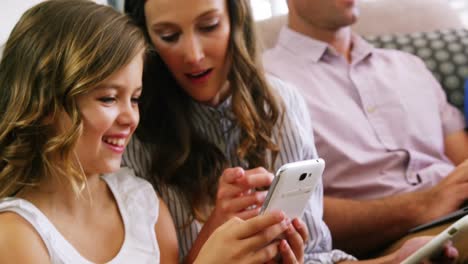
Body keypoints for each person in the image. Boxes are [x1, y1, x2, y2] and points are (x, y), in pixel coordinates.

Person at [124, 0, 460, 263]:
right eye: (169, 36)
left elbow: (315, 256)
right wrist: (216, 229)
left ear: (235, 20)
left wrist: (395, 260)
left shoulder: (280, 102)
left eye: (209, 26)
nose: (193, 55)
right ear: (146, 39)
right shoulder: (131, 131)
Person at [0, 1, 303, 263]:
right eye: (108, 98)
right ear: (43, 105)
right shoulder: (16, 234)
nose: (131, 117)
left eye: (134, 98)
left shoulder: (143, 205)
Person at [263, 0, 468, 257]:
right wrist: (423, 205)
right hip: (392, 243)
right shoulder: (265, 85)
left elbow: (462, 160)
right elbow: (288, 215)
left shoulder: (409, 65)